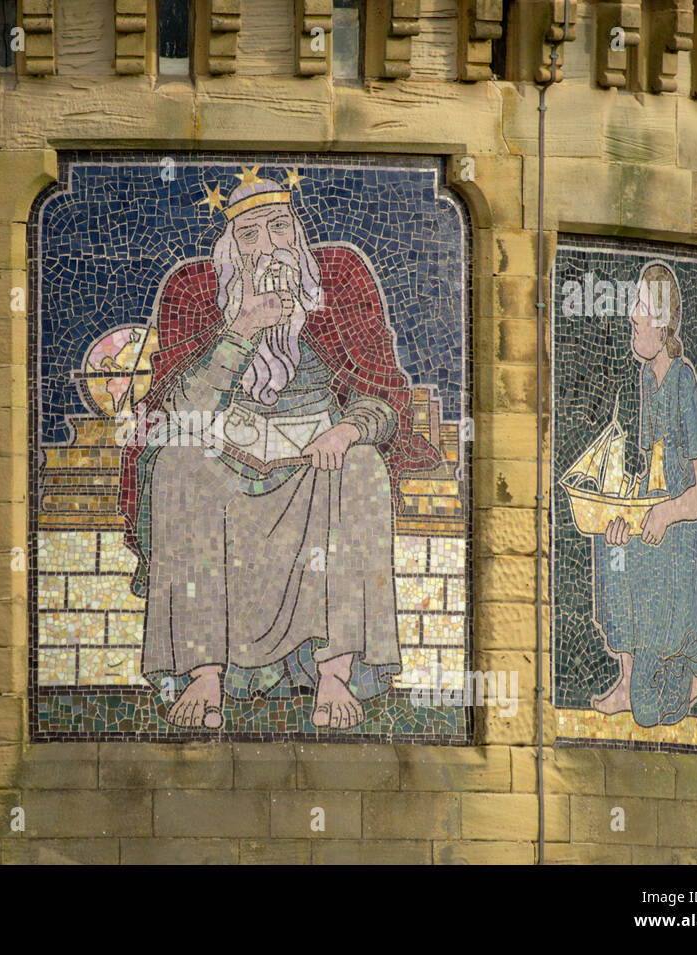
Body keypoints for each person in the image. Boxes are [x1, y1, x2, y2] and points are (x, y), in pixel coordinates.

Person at [118, 171, 441, 731]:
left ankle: (335, 670)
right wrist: (241, 330)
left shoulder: (338, 283)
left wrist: (347, 432)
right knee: (176, 465)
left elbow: (385, 396)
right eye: (249, 237)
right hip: (227, 457)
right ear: (229, 255)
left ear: (297, 235)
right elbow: (181, 415)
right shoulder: (195, 295)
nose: (268, 247)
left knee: (363, 467)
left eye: (278, 229)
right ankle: (203, 672)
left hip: (317, 458)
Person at [591, 261, 697, 735]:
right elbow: (650, 470)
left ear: (662, 322)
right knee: (612, 543)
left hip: (682, 544)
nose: (632, 316)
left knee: (649, 714)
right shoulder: (648, 379)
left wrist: (664, 513)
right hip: (655, 528)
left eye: (641, 307)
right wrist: (621, 506)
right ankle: (626, 676)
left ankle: (696, 676)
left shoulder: (684, 381)